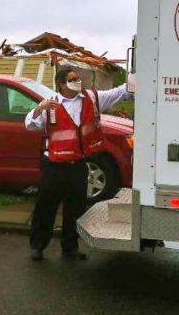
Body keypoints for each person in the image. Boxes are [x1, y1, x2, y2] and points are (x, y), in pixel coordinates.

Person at [25, 67, 129, 261]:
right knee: (46, 207)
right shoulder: (51, 105)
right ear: (62, 84)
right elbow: (30, 125)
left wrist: (134, 80)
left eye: (78, 78)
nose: (78, 81)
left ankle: (70, 247)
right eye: (73, 79)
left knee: (75, 208)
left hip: (79, 164)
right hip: (54, 166)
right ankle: (38, 246)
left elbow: (117, 93)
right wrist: (39, 108)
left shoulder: (91, 98)